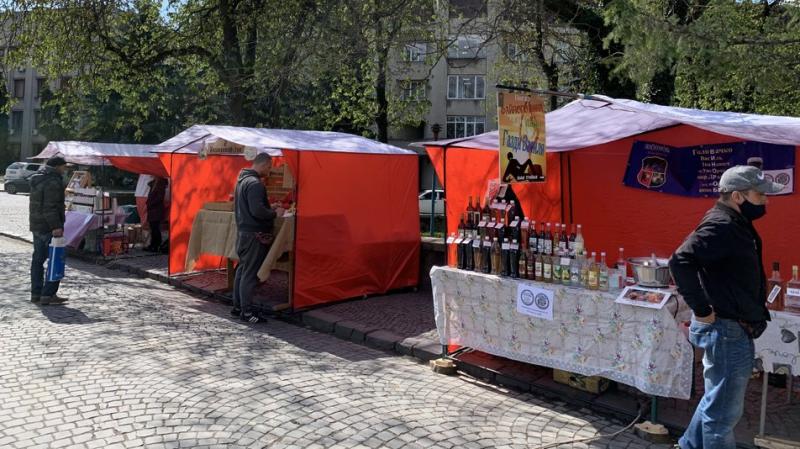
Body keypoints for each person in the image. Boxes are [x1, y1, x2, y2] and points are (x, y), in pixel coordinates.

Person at [669, 165, 783, 449]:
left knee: (715, 401)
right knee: (721, 417)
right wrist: (701, 309)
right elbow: (680, 261)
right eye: (759, 195)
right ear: (737, 196)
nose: (765, 201)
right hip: (726, 329)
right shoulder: (722, 224)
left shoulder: (733, 220)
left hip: (733, 328)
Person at [232, 153, 276, 323]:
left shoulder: (242, 180)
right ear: (263, 164)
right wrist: (274, 213)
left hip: (244, 232)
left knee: (242, 270)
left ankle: (238, 307)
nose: (269, 171)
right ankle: (247, 312)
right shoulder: (255, 183)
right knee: (249, 274)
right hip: (254, 234)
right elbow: (257, 210)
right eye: (269, 167)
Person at [29, 156, 69, 306]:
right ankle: (48, 294)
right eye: (64, 167)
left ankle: (36, 293)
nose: (65, 170)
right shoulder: (53, 181)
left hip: (36, 225)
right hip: (49, 227)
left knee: (38, 260)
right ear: (57, 166)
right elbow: (50, 207)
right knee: (56, 259)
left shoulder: (37, 178)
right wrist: (56, 227)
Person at [144, 177, 168, 252]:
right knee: (153, 227)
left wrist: (150, 203)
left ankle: (156, 245)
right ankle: (153, 244)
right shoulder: (154, 183)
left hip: (156, 209)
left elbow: (160, 197)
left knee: (155, 228)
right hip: (153, 209)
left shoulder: (160, 183)